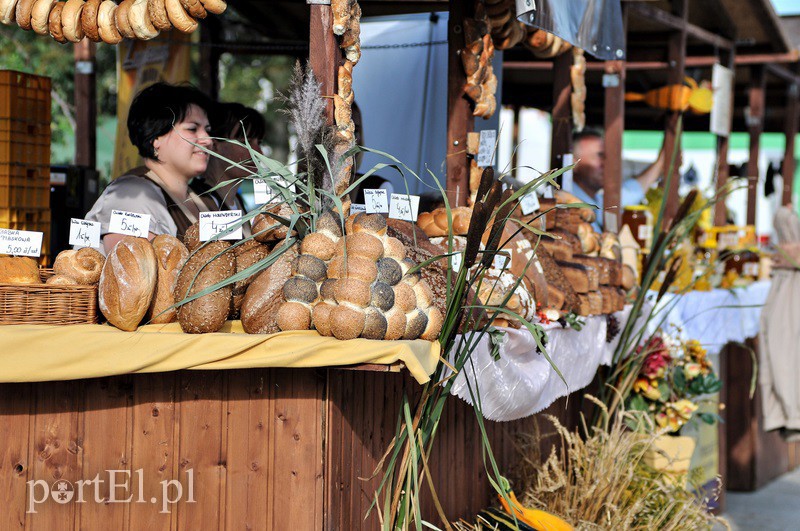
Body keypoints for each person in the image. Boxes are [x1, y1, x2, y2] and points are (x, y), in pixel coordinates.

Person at [84, 83, 220, 253]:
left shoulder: (204, 199)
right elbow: (133, 273)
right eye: (193, 129)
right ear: (156, 137)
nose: (207, 139)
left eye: (207, 130)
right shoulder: (132, 196)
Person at [570, 128, 666, 230]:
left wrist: (660, 162)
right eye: (600, 156)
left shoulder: (598, 200)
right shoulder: (568, 207)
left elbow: (631, 192)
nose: (606, 163)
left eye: (606, 157)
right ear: (573, 163)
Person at [204, 102, 267, 213]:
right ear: (214, 145)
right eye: (245, 143)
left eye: (259, 143)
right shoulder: (198, 202)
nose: (258, 152)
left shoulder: (238, 202)